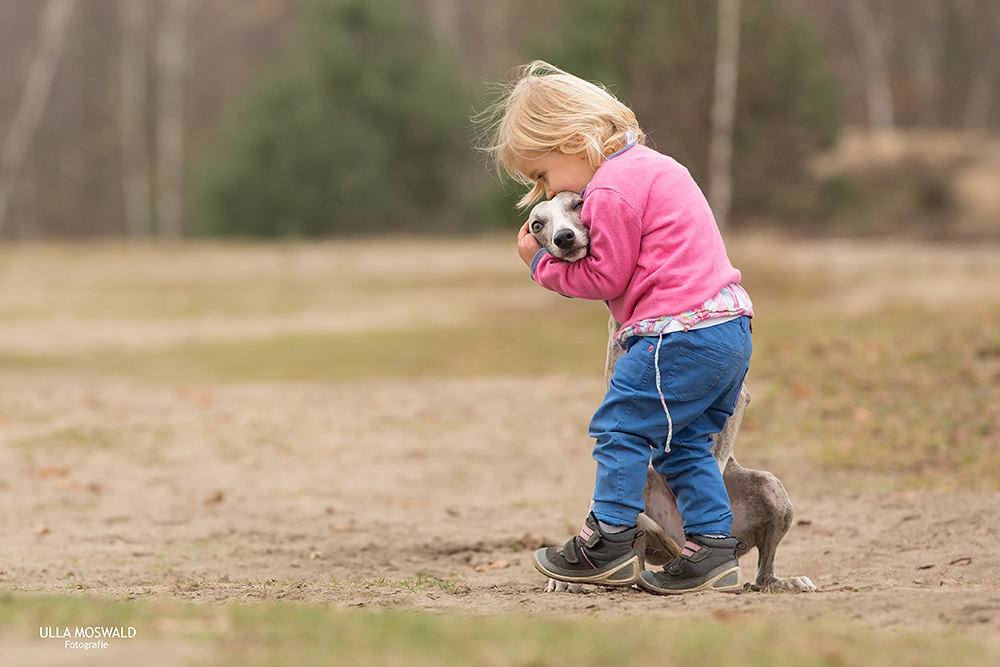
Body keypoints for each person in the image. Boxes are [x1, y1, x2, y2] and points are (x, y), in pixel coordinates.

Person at [479, 61, 754, 594]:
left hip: (675, 334)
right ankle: (712, 552)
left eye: (541, 174)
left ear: (575, 140)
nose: (542, 190)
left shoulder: (610, 187)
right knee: (686, 445)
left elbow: (605, 273)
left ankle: (607, 542)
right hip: (728, 328)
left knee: (620, 427)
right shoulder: (652, 165)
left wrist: (538, 264)